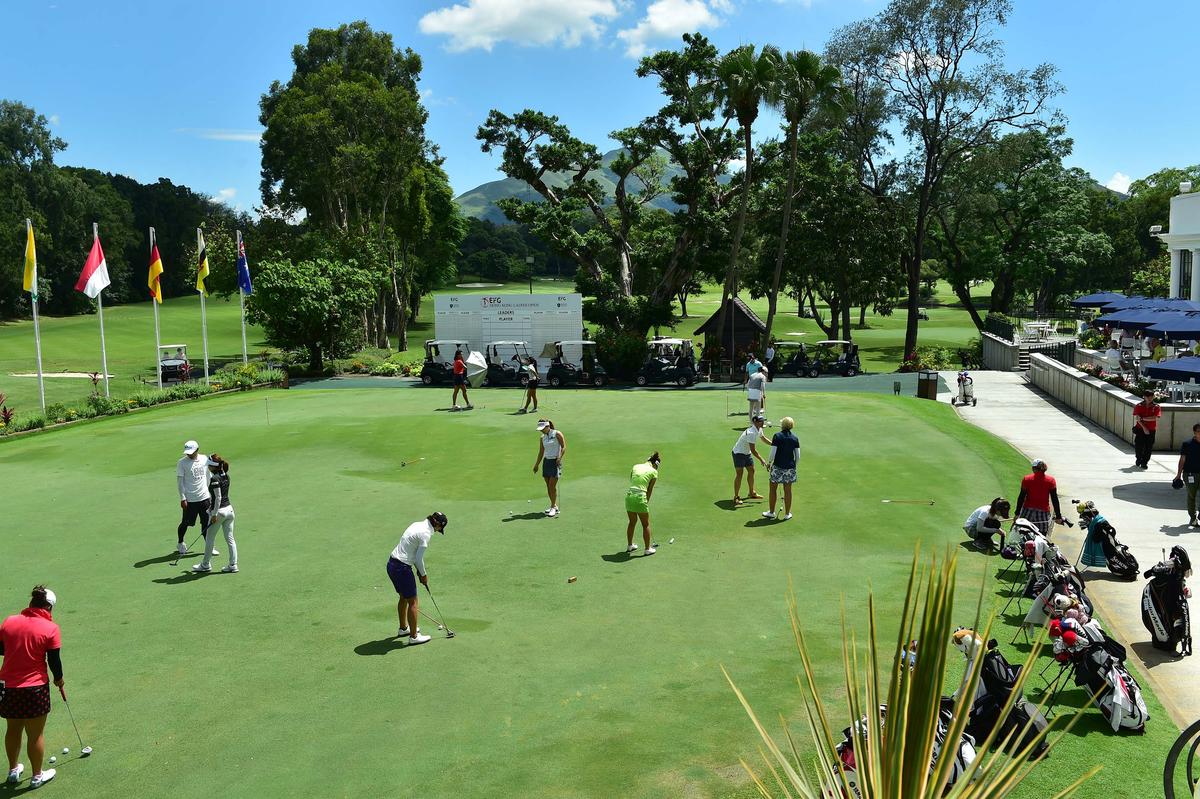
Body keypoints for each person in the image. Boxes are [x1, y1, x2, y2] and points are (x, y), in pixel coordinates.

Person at [1, 586, 63, 789]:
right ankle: (37, 776)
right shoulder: (50, 628)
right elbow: (54, 661)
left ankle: (13, 771)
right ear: (48, 607)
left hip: (7, 686)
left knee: (13, 729)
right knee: (35, 734)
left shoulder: (9, 621)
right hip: (34, 688)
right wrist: (59, 680)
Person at [386, 513, 449, 646]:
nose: (437, 531)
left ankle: (404, 628)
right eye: (439, 529)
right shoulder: (425, 534)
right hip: (402, 569)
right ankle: (414, 636)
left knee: (403, 597)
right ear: (437, 524)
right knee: (413, 602)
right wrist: (423, 575)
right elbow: (418, 559)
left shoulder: (416, 524)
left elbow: (412, 553)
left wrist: (420, 574)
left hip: (392, 564)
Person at [194, 454, 238, 574]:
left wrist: (213, 514)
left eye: (209, 466)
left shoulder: (215, 479)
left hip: (219, 512)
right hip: (229, 510)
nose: (208, 468)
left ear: (213, 467)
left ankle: (205, 564)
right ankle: (233, 565)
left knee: (209, 539)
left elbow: (218, 498)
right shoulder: (226, 476)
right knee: (230, 539)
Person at [176, 440, 213, 556]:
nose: (189, 454)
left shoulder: (204, 459)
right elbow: (180, 482)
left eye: (191, 452)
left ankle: (209, 547)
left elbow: (208, 476)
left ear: (197, 450)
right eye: (187, 452)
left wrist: (210, 493)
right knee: (186, 523)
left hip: (205, 498)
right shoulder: (182, 463)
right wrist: (183, 498)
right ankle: (180, 542)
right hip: (190, 500)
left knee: (206, 523)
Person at [762, 417, 801, 521]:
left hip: (777, 467)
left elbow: (773, 453)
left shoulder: (777, 436)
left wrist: (769, 463)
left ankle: (771, 512)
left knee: (773, 488)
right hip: (790, 467)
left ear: (782, 425)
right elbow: (798, 456)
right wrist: (793, 466)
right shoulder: (795, 438)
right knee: (788, 490)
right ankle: (787, 514)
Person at [1014, 459, 1064, 536]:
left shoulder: (1027, 479)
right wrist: (1058, 516)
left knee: (1022, 534)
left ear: (1034, 468)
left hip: (1027, 512)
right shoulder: (1051, 480)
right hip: (1043, 513)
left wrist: (1017, 513)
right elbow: (1054, 499)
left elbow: (1021, 497)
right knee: (1041, 536)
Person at [625, 453, 661, 555]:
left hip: (629, 495)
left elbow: (632, 479)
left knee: (632, 522)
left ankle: (630, 545)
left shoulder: (636, 466)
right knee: (645, 524)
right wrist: (646, 501)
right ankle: (647, 549)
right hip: (640, 497)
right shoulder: (654, 472)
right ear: (656, 464)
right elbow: (649, 489)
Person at [731, 414, 768, 506]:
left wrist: (774, 444)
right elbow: (753, 450)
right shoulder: (751, 433)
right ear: (755, 422)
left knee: (751, 471)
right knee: (739, 474)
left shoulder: (759, 429)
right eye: (760, 421)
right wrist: (762, 460)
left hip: (747, 453)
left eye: (763, 420)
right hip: (738, 453)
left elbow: (763, 439)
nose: (762, 422)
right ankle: (736, 497)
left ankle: (751, 492)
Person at [533, 419, 566, 517]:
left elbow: (564, 447)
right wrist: (536, 464)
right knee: (548, 486)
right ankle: (554, 505)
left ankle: (553, 507)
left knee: (552, 486)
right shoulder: (542, 437)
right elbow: (541, 452)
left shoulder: (557, 433)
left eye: (542, 428)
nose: (541, 430)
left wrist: (559, 458)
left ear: (548, 426)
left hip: (555, 462)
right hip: (546, 462)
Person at [1175, 423, 1200, 527]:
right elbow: (1182, 459)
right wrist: (1178, 475)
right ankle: (1193, 518)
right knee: (1191, 496)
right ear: (1194, 432)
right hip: (1190, 474)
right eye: (1199, 431)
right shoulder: (1187, 444)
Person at [1133, 391, 1161, 469]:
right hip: (1140, 429)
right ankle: (1139, 458)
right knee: (1138, 446)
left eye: (1151, 397)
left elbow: (1155, 418)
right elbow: (1137, 418)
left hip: (1151, 430)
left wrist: (1143, 418)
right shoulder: (1139, 406)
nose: (1149, 398)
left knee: (1148, 447)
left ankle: (1144, 462)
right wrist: (1144, 427)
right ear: (1144, 397)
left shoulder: (1156, 407)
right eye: (1147, 397)